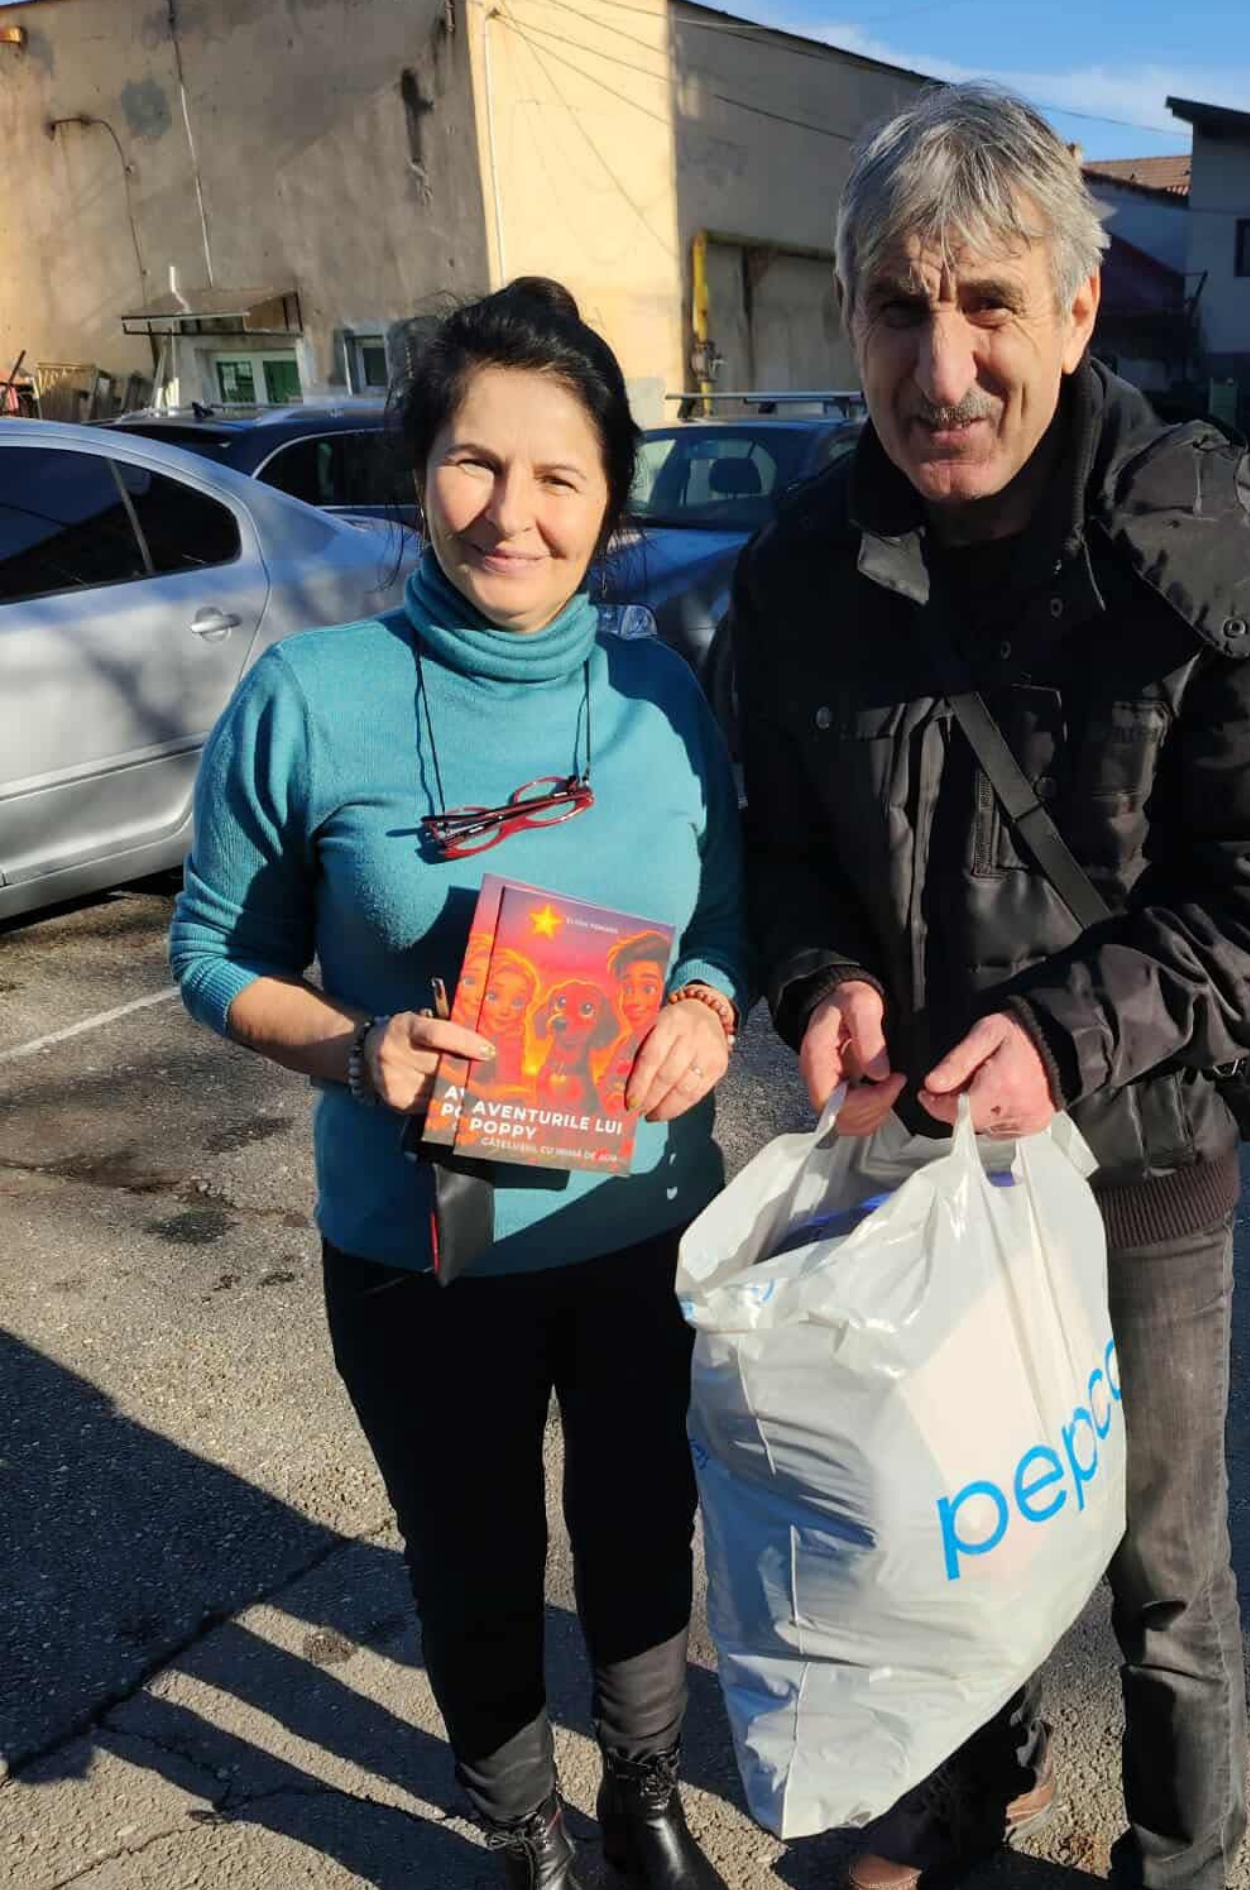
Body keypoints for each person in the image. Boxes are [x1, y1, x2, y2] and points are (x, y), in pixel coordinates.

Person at [729, 87, 1250, 1890]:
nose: (940, 366)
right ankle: (962, 1796)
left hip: (1142, 1160)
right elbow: (774, 839)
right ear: (850, 315)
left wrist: (1069, 1035)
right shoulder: (800, 570)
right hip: (919, 1165)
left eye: (987, 305)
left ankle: (1182, 1859)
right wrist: (818, 972)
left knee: (1160, 1572)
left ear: (1078, 311)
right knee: (939, 1522)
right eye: (897, 307)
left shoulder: (1217, 566)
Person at [170, 278, 747, 1890]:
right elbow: (211, 950)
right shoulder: (308, 698)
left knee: (639, 1529)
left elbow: (725, 914)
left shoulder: (659, 698)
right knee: (473, 1557)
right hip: (419, 1250)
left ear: (608, 503)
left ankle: (643, 1792)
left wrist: (710, 1001)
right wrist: (352, 1050)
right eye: (476, 462)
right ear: (420, 468)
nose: (513, 512)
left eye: (560, 475)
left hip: (641, 1227)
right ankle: (522, 1829)